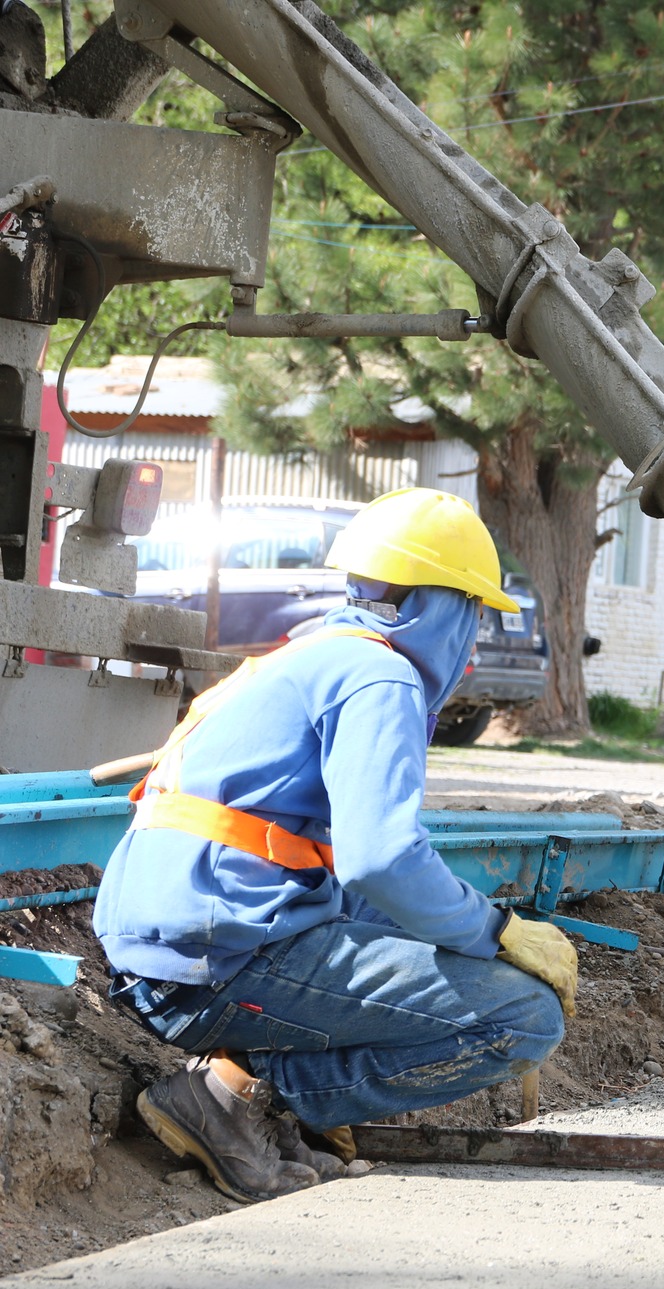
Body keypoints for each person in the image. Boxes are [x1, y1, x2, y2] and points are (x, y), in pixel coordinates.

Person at [96, 488, 578, 1203]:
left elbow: (355, 875)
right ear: (441, 607)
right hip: (211, 962)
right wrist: (497, 930)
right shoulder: (384, 677)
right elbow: (380, 857)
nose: (473, 634)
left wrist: (483, 937)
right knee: (524, 1016)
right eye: (473, 613)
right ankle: (238, 1094)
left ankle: (252, 1097)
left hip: (172, 943)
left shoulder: (312, 654)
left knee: (435, 940)